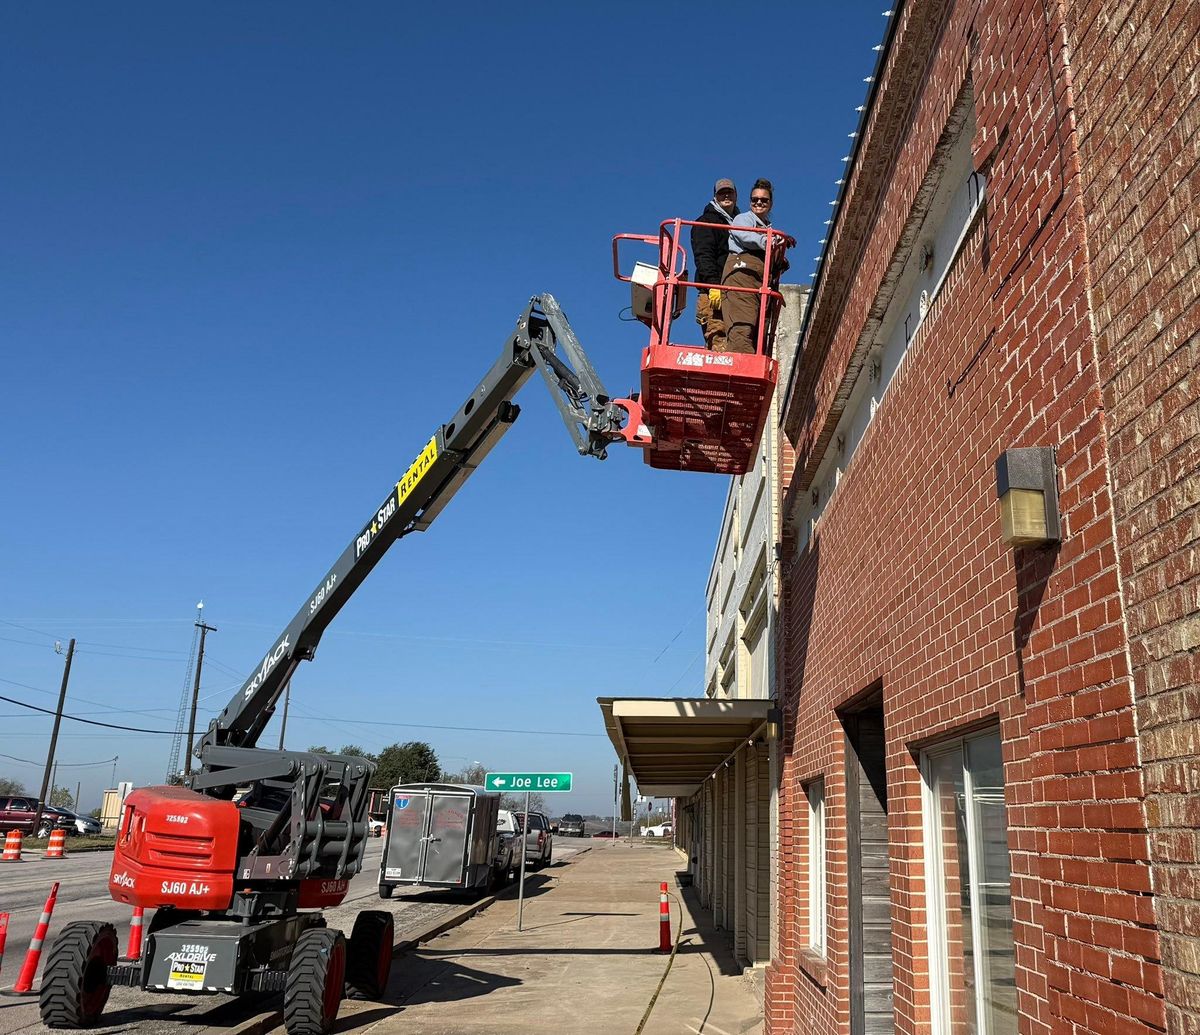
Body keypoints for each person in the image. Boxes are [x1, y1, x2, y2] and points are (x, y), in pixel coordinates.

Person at [721, 178, 789, 354]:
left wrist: (780, 255)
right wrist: (772, 242)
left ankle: (751, 362)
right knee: (743, 326)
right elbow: (746, 237)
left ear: (771, 204)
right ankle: (740, 367)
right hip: (741, 275)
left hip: (758, 282)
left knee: (759, 330)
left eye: (764, 200)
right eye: (755, 199)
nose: (759, 202)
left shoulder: (768, 228)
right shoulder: (743, 219)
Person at [690, 178, 739, 351]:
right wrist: (713, 285)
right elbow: (704, 256)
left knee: (739, 347)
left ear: (736, 195)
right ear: (715, 196)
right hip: (713, 294)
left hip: (737, 294)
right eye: (721, 192)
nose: (726, 195)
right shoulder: (705, 222)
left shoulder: (742, 224)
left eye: (729, 192)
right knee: (720, 345)